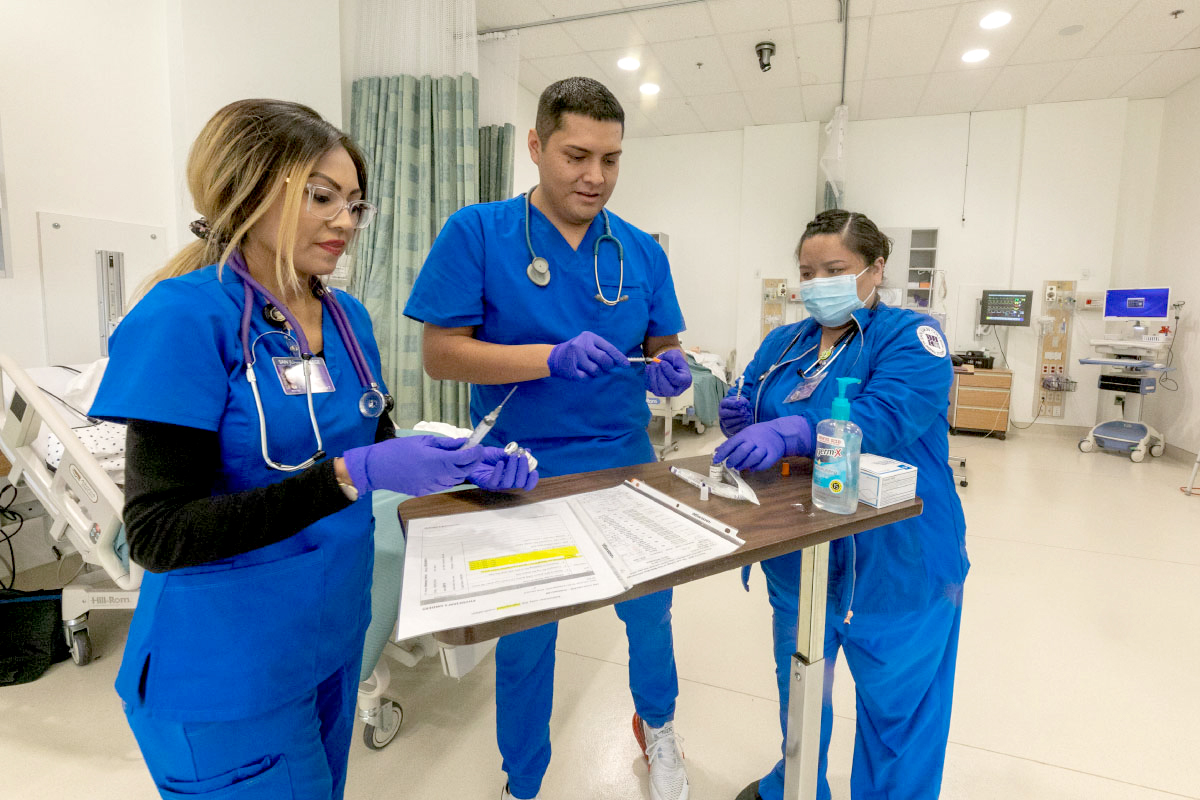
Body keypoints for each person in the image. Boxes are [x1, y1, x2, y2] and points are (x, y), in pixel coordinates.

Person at [89, 99, 537, 800]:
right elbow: (156, 533)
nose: (344, 222)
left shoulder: (346, 317)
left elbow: (375, 443)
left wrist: (462, 467)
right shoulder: (184, 318)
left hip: (331, 644)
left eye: (355, 204)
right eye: (321, 197)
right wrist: (348, 476)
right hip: (226, 671)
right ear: (248, 188)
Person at [403, 77, 694, 800]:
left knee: (650, 609)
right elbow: (441, 353)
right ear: (535, 146)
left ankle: (657, 727)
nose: (595, 176)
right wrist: (548, 358)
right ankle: (523, 781)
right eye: (576, 155)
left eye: (612, 159)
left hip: (625, 455)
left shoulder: (639, 252)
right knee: (528, 632)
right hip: (522, 462)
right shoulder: (477, 232)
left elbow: (665, 344)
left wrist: (672, 369)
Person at [717, 210, 969, 800]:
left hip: (896, 560)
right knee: (804, 689)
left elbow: (886, 415)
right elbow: (752, 390)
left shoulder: (912, 337)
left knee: (899, 716)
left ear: (876, 268)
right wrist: (745, 414)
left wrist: (791, 431)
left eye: (835, 269)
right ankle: (797, 784)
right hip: (800, 556)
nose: (817, 284)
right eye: (808, 272)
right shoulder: (786, 341)